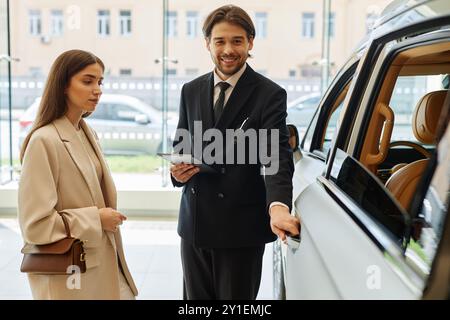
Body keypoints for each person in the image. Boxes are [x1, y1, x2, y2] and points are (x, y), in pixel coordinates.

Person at [170, 5, 300, 300]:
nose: (228, 50)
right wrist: (177, 172)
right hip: (195, 225)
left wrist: (278, 205)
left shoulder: (269, 94)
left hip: (240, 228)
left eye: (237, 41)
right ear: (207, 44)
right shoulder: (190, 90)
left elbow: (275, 154)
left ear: (250, 42)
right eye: (220, 41)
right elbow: (183, 146)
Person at [18, 49, 137, 300]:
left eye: (100, 81)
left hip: (102, 265)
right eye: (87, 81)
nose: (98, 89)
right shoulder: (44, 141)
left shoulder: (87, 133)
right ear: (63, 85)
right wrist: (97, 219)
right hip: (70, 274)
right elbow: (35, 225)